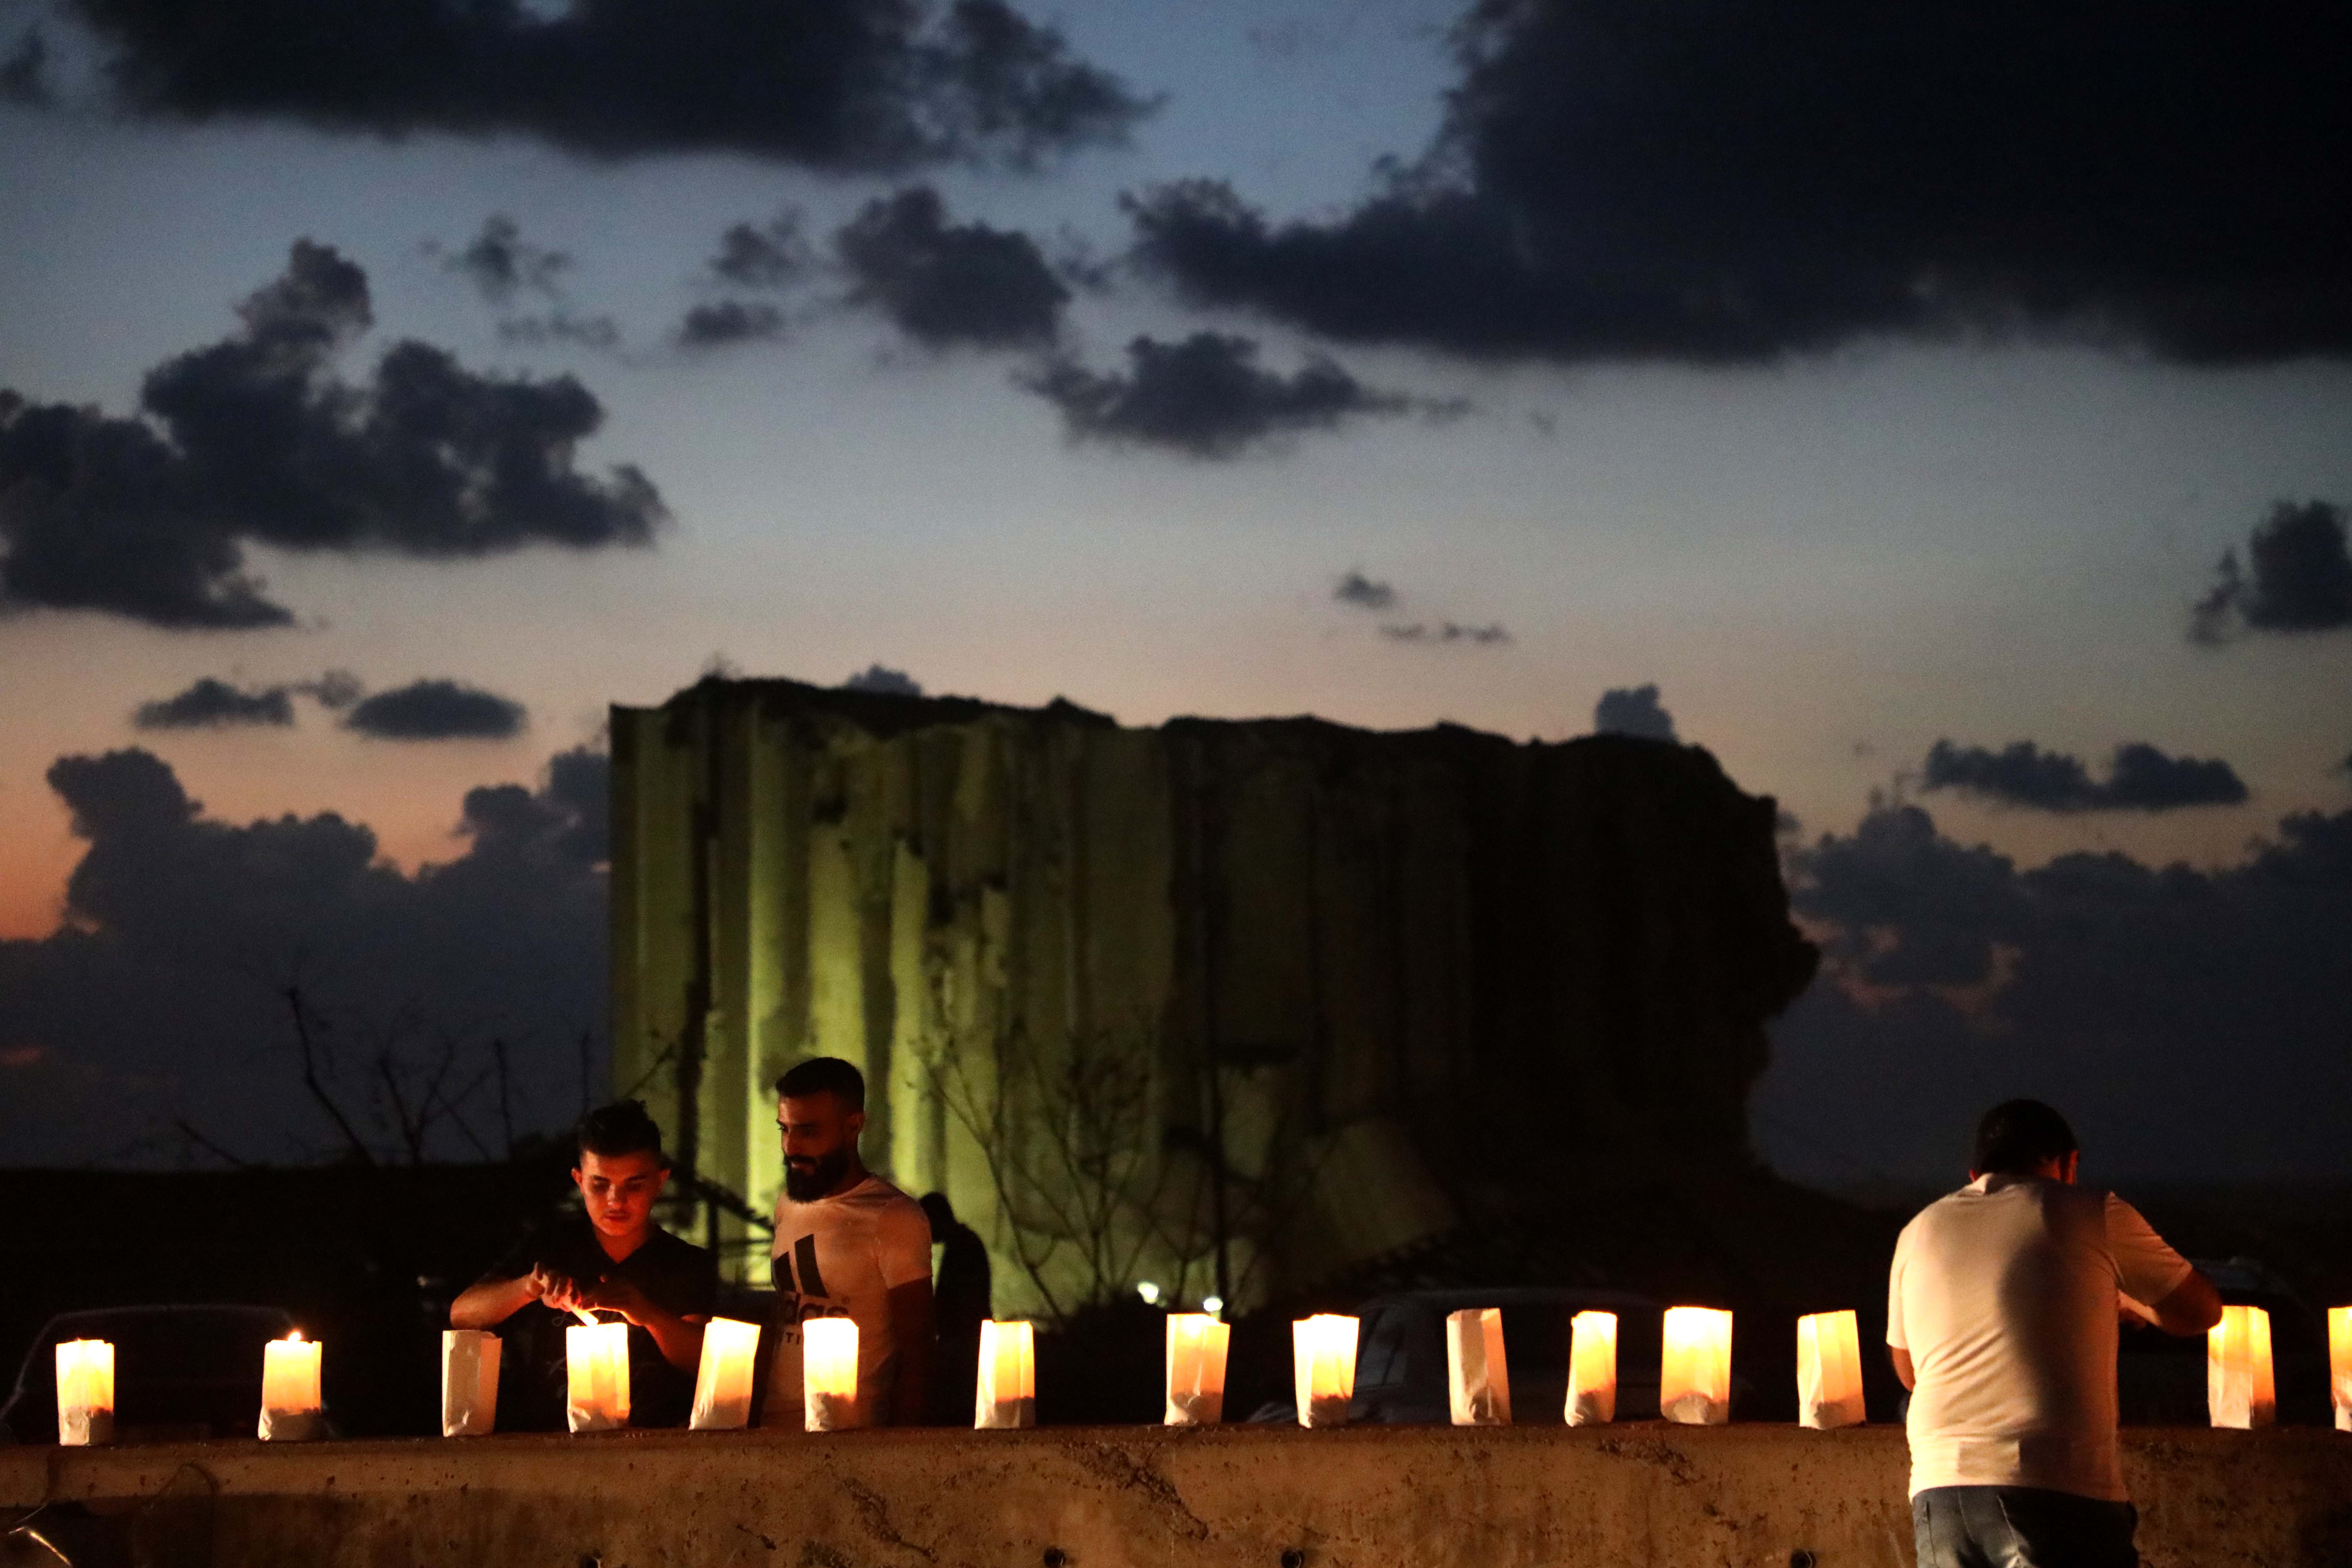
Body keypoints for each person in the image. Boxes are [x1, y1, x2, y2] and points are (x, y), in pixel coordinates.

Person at [1888, 1099, 2221, 1568]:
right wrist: (2129, 1303)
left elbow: (1909, 1372)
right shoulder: (2090, 1211)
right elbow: (2201, 1311)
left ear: (1975, 1175)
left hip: (1939, 1495)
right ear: (2069, 1163)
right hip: (2054, 1487)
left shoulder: (1918, 1230)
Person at [450, 1100, 717, 1429]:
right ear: (579, 1180)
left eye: (634, 1185)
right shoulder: (552, 1248)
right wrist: (528, 1288)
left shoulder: (684, 1263)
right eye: (600, 1185)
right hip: (551, 1441)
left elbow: (706, 1362)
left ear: (660, 1181)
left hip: (656, 1441)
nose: (616, 1201)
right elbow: (463, 1314)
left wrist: (648, 1314)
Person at [760, 1057, 934, 1428]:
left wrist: (906, 1447)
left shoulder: (894, 1217)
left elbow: (918, 1352)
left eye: (808, 1131)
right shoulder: (788, 1204)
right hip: (772, 1428)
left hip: (852, 1434)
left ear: (853, 1125)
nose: (791, 1146)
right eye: (784, 1129)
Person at [919, 1190, 992, 1426]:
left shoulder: (962, 1247)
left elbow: (955, 1300)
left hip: (964, 1343)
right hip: (968, 1340)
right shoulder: (965, 1243)